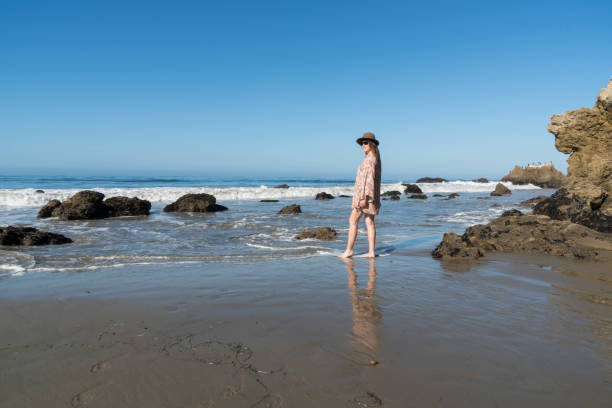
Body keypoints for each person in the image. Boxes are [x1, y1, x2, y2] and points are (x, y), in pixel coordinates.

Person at [340, 132, 381, 258]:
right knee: (369, 221)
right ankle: (371, 252)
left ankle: (349, 250)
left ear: (371, 143)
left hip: (365, 196)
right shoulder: (374, 157)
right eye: (362, 143)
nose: (363, 145)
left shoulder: (370, 159)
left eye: (365, 142)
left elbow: (368, 180)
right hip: (372, 196)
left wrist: (364, 198)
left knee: (352, 220)